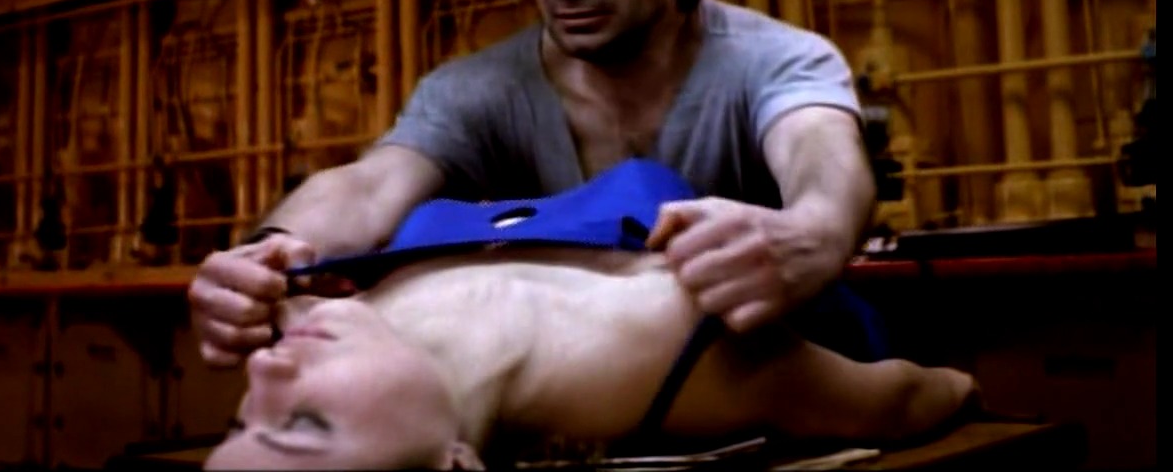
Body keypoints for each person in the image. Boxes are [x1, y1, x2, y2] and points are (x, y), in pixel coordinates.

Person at [189, 0, 876, 377]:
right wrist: (272, 250)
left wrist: (813, 231)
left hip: (761, 391)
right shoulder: (476, 91)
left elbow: (820, 152)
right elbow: (371, 186)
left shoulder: (773, 59)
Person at [202, 208, 978, 471]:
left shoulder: (310, 322)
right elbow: (894, 402)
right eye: (304, 424)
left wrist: (270, 242)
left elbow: (365, 181)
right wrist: (970, 389)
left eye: (240, 421)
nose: (264, 371)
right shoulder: (672, 355)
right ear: (455, 465)